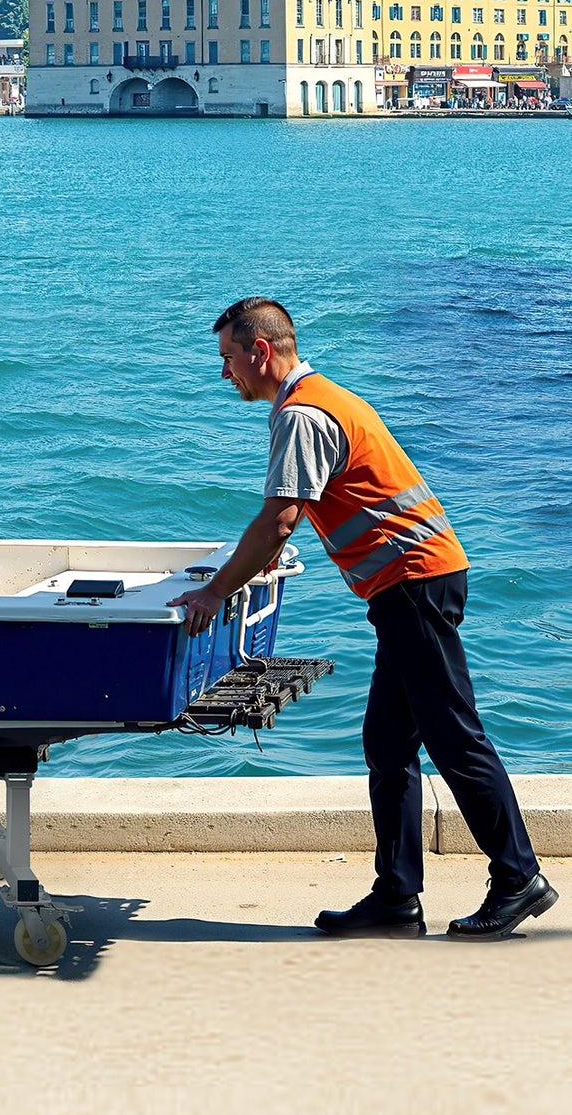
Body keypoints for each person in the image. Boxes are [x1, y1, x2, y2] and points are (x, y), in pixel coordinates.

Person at [169, 296, 557, 940]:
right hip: (408, 586)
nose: (224, 373)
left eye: (229, 358)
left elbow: (280, 518)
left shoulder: (303, 415)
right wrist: (246, 563)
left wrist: (217, 593)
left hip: (414, 585)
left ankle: (519, 877)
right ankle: (397, 899)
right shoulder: (322, 399)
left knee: (454, 736)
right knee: (388, 743)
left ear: (260, 351)